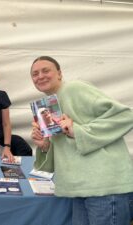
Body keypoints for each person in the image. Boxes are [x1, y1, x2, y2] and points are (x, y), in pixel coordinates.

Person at [30, 56, 133, 225]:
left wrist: (77, 130)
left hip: (105, 188)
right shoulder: (48, 106)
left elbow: (125, 116)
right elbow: (68, 148)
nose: (40, 76)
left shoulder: (74, 89)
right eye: (35, 74)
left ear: (60, 74)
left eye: (45, 70)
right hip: (80, 189)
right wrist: (45, 146)